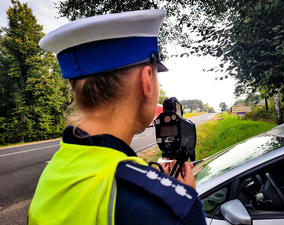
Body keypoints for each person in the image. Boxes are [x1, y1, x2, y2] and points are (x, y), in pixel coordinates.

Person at [28, 9, 207, 225]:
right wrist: (179, 199)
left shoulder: (54, 171)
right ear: (147, 80)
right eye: (156, 73)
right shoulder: (175, 208)